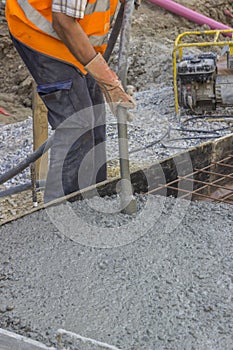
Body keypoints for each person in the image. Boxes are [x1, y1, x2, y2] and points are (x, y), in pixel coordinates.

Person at [5, 0, 135, 202]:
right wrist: (107, 80)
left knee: (95, 121)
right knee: (77, 125)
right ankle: (60, 216)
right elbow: (63, 21)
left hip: (78, 35)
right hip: (42, 33)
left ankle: (96, 200)